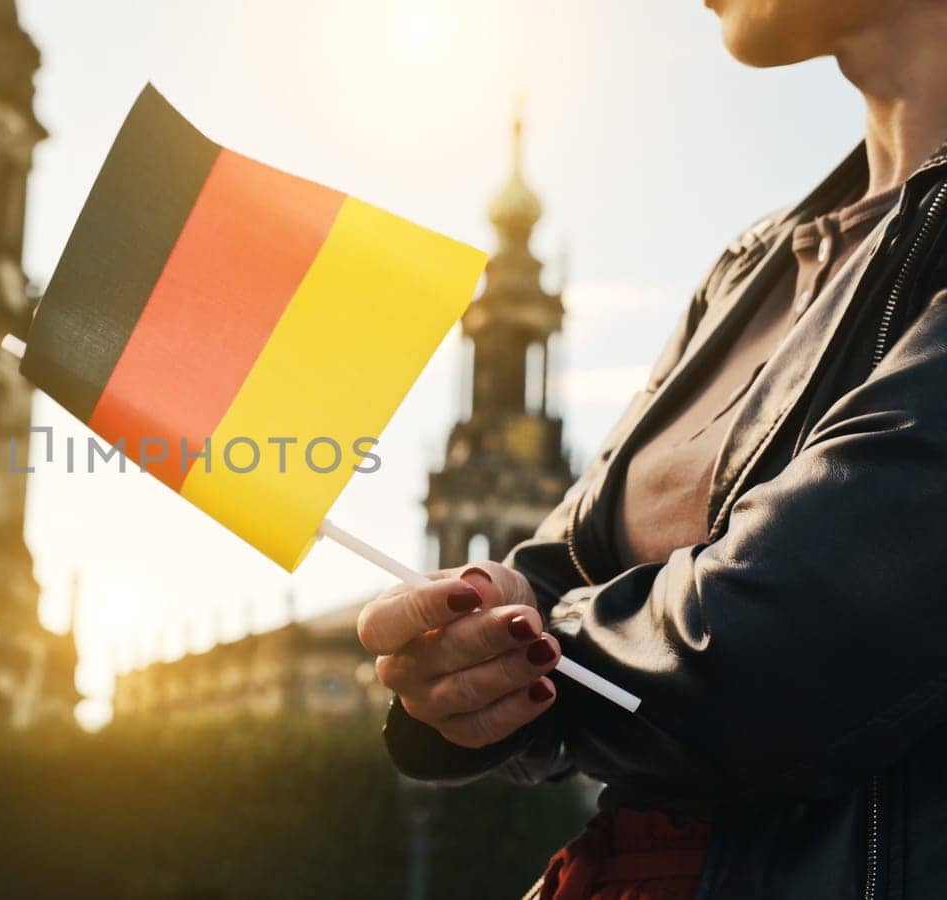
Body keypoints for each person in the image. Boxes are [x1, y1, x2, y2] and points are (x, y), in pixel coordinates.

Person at [358, 1, 947, 897]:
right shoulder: (748, 268)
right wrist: (462, 654)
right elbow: (554, 572)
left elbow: (776, 646)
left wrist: (520, 663)